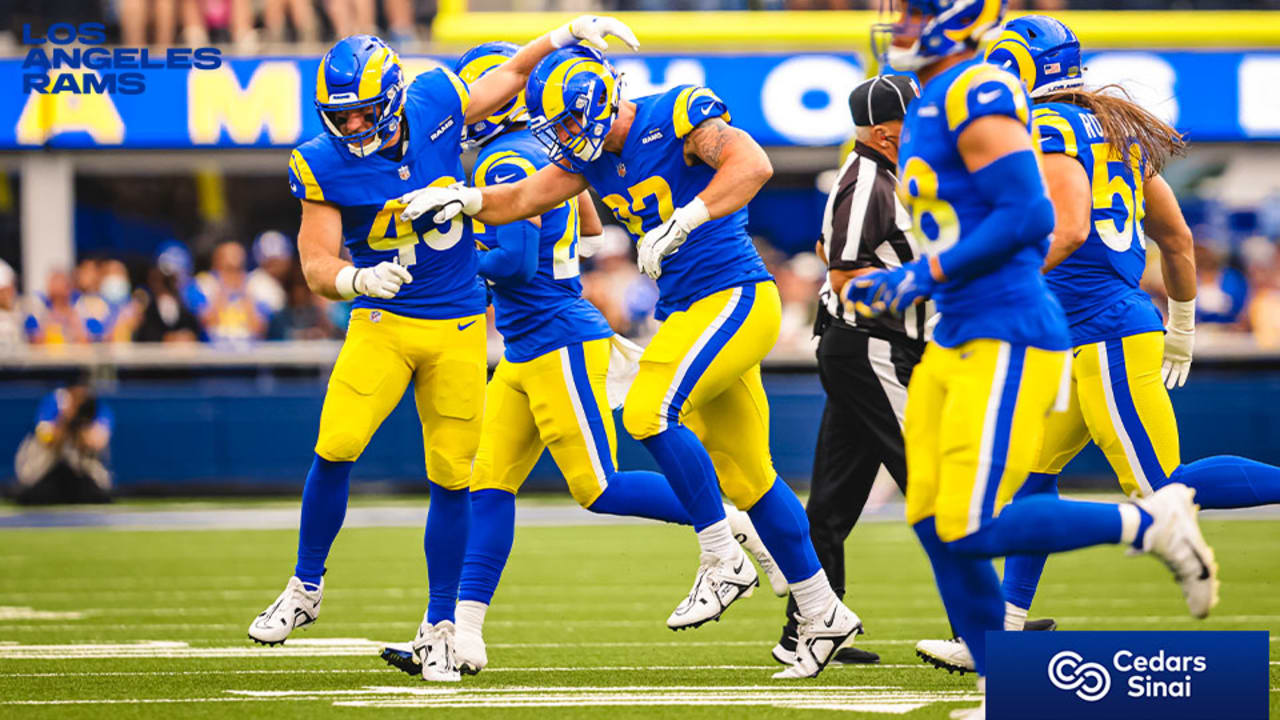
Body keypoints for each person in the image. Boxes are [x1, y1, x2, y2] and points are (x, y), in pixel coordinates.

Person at [401, 44, 862, 680]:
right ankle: (822, 611)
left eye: (566, 125)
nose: (562, 140)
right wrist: (465, 202)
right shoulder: (591, 158)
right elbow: (528, 196)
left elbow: (751, 163)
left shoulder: (673, 111)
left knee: (648, 409)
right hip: (689, 310)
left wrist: (686, 218)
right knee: (752, 477)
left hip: (732, 295)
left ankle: (720, 555)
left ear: (595, 104)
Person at [245, 18, 641, 687]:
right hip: (381, 314)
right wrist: (353, 279)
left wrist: (562, 34)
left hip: (457, 323)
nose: (356, 126)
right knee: (336, 446)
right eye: (343, 115)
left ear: (396, 98)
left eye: (367, 111)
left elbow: (511, 77)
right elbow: (315, 263)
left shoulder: (432, 98)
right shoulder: (321, 159)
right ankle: (304, 587)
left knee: (452, 478)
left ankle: (440, 629)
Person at [851, 2, 1218, 714]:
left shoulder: (978, 94)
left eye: (910, 16)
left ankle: (1149, 522)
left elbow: (1035, 218)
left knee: (972, 522)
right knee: (931, 520)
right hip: (961, 328)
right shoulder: (934, 104)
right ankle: (1003, 678)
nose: (895, 28)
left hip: (1011, 327)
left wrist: (918, 278)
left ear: (958, 24)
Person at [909, 15, 1280, 677]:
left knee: (1164, 491)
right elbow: (1178, 239)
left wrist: (988, 278)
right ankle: (1001, 634)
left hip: (1101, 332)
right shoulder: (1114, 134)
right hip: (1081, 334)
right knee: (1028, 483)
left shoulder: (1047, 129)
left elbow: (1068, 229)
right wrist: (1184, 324)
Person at [13, 384, 113, 505]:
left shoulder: (96, 407)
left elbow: (96, 443)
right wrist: (66, 418)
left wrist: (81, 427)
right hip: (50, 471)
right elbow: (47, 441)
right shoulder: (53, 403)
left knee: (99, 496)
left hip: (81, 474)